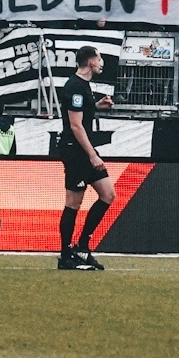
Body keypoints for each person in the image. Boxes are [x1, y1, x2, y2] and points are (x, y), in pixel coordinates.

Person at [56, 45, 115, 271]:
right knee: (73, 202)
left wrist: (98, 106)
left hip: (85, 150)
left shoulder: (85, 87)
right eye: (99, 59)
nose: (101, 63)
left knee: (108, 194)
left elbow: (83, 114)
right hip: (76, 150)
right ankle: (65, 255)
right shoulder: (76, 87)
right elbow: (75, 125)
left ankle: (82, 246)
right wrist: (92, 155)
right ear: (91, 62)